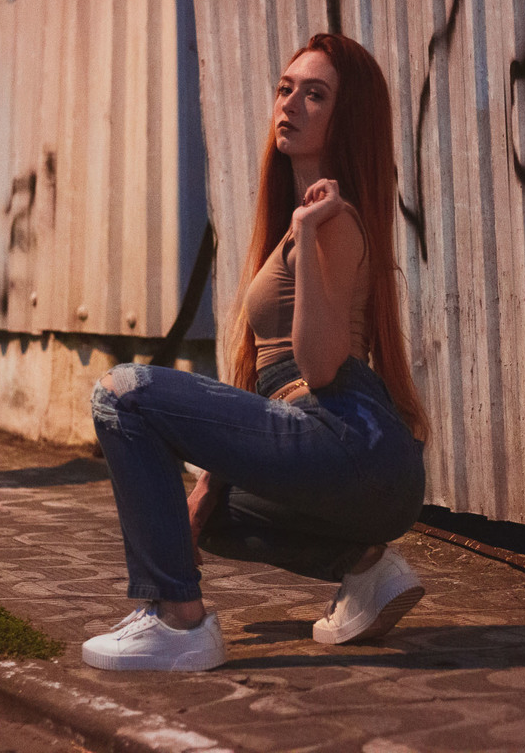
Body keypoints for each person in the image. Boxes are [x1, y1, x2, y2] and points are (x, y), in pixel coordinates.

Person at [84, 33, 429, 672]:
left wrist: (307, 229)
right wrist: (212, 481)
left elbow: (320, 367)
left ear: (344, 120)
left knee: (122, 394)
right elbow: (281, 394)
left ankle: (178, 621)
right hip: (361, 462)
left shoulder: (333, 222)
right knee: (199, 511)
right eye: (286, 88)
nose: (291, 103)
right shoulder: (308, 221)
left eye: (315, 94)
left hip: (351, 435)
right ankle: (366, 570)